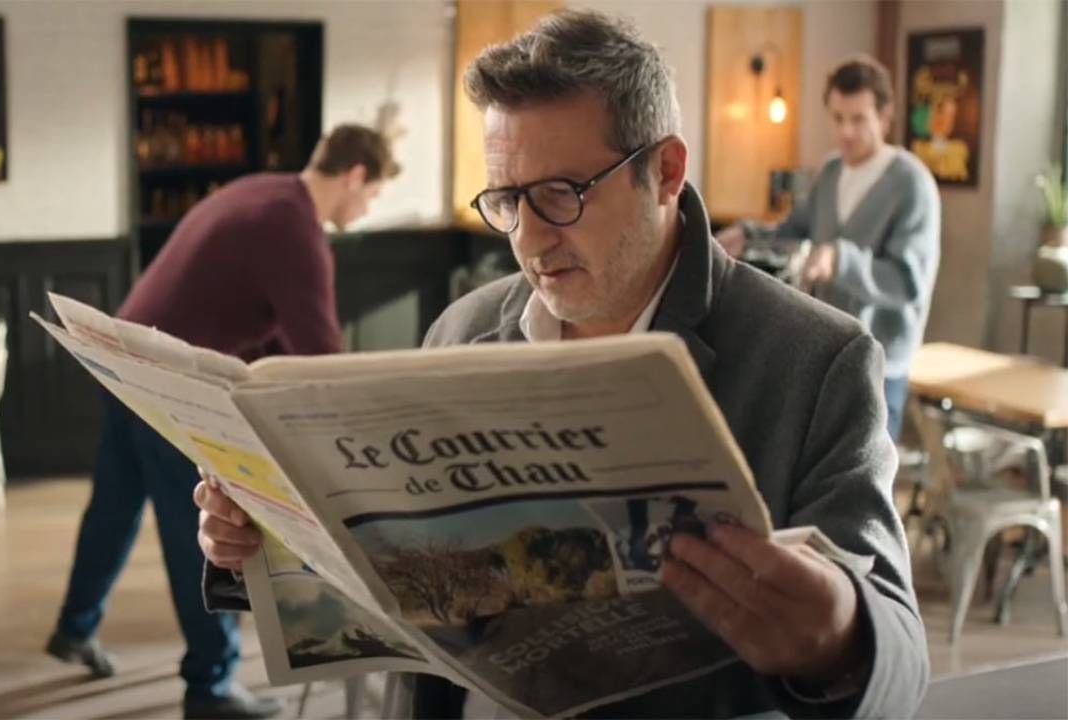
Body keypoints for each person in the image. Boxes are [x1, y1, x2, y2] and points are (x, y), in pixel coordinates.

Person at [196, 11, 927, 718]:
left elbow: (900, 661)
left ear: (666, 170)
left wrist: (838, 638)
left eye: (560, 194)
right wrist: (264, 540)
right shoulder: (461, 332)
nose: (530, 238)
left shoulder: (816, 361)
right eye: (507, 199)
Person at [47, 124, 399, 720]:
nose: (368, 209)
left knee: (114, 505)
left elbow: (266, 328)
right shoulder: (294, 228)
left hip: (121, 354)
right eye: (373, 195)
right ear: (356, 175)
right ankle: (209, 684)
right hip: (165, 379)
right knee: (202, 523)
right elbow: (319, 357)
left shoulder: (264, 192)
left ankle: (75, 626)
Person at [716, 55, 941, 440]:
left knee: (869, 475)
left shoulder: (911, 184)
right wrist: (748, 235)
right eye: (838, 118)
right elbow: (793, 229)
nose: (846, 132)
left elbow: (908, 282)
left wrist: (840, 260)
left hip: (880, 366)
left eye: (858, 119)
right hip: (827, 355)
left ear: (884, 117)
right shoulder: (831, 172)